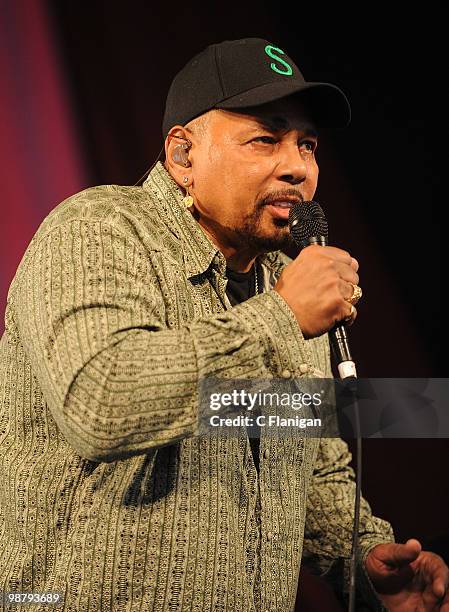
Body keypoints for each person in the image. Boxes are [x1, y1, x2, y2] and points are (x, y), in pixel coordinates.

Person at [0, 37, 447, 612]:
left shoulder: (283, 277)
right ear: (183, 155)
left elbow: (307, 466)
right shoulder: (99, 228)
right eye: (265, 139)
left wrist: (362, 555)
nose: (297, 167)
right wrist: (282, 318)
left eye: (307, 145)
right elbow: (102, 402)